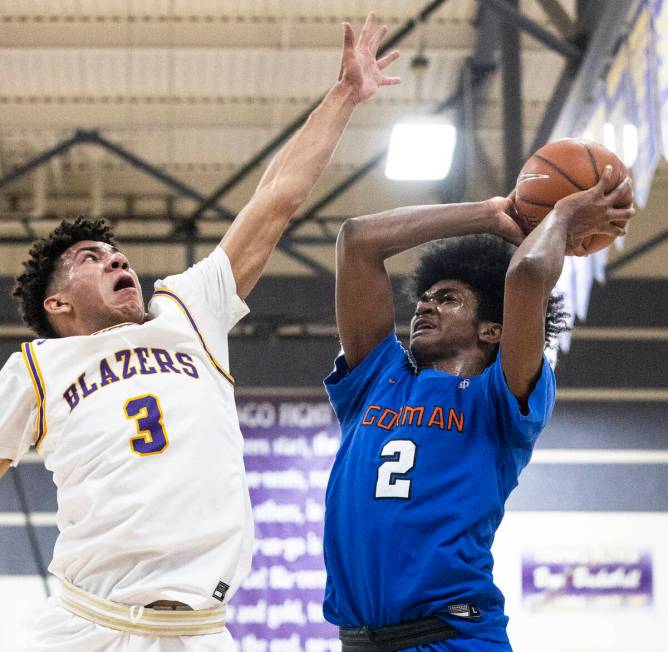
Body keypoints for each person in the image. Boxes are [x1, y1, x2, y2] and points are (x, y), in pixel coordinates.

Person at [0, 14, 399, 652]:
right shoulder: (39, 368)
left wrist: (345, 94)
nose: (116, 261)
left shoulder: (189, 310)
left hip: (199, 634)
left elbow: (277, 197)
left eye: (116, 252)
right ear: (57, 303)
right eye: (90, 259)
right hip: (83, 626)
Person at [322, 168, 634, 651]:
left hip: (453, 637)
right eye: (424, 297)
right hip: (359, 641)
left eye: (448, 299)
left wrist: (563, 213)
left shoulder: (498, 395)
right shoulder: (376, 379)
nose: (425, 306)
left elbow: (527, 275)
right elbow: (358, 240)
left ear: (493, 330)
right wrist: (488, 214)